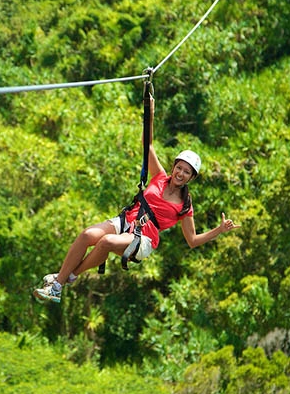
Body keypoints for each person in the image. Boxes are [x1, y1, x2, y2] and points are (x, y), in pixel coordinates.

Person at [33, 106, 240, 304]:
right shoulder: (159, 177)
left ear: (191, 177)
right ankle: (60, 280)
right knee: (88, 235)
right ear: (173, 167)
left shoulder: (185, 205)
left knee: (105, 242)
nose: (181, 173)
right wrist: (149, 113)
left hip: (144, 238)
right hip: (127, 220)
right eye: (179, 168)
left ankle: (61, 282)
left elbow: (192, 240)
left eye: (187, 172)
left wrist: (219, 230)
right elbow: (147, 145)